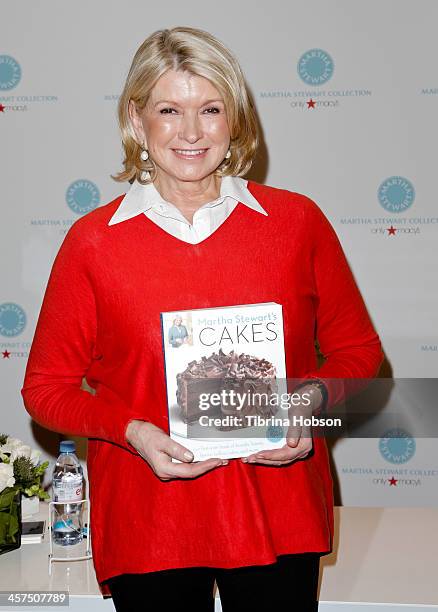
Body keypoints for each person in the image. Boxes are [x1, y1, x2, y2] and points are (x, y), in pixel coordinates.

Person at [21, 26, 383, 612]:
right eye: (169, 110)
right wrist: (131, 429)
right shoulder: (93, 243)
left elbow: (359, 353)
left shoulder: (295, 224)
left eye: (210, 109)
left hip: (278, 510)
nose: (191, 132)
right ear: (137, 122)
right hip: (150, 521)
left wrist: (308, 400)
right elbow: (45, 389)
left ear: (234, 118)